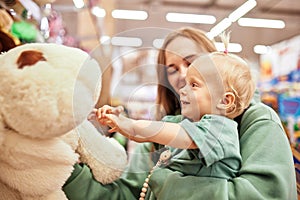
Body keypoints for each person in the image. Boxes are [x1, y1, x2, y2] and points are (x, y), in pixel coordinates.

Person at [63, 27, 297, 199]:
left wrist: (164, 183)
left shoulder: (258, 121)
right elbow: (125, 194)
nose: (183, 75)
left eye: (192, 62)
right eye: (173, 69)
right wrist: (65, 164)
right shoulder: (163, 133)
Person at [97, 48, 256, 186]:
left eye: (194, 85)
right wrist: (121, 120)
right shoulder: (187, 124)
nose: (182, 90)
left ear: (224, 101)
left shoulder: (221, 130)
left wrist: (131, 124)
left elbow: (179, 135)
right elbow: (146, 134)